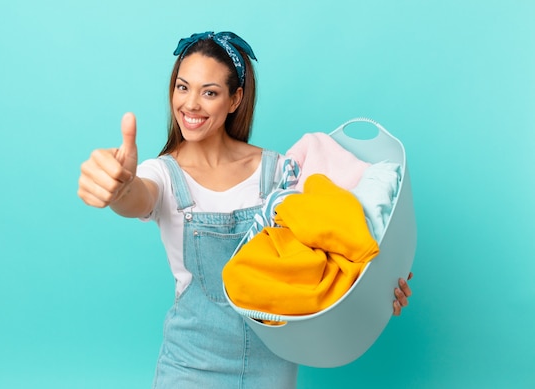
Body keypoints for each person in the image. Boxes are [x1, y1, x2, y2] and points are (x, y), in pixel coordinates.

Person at [78, 31, 413, 388]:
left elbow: (341, 242)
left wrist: (378, 287)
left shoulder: (281, 172)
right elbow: (138, 197)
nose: (190, 104)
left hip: (274, 369)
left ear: (235, 99)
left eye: (209, 92)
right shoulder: (162, 173)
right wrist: (120, 188)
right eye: (182, 87)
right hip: (190, 367)